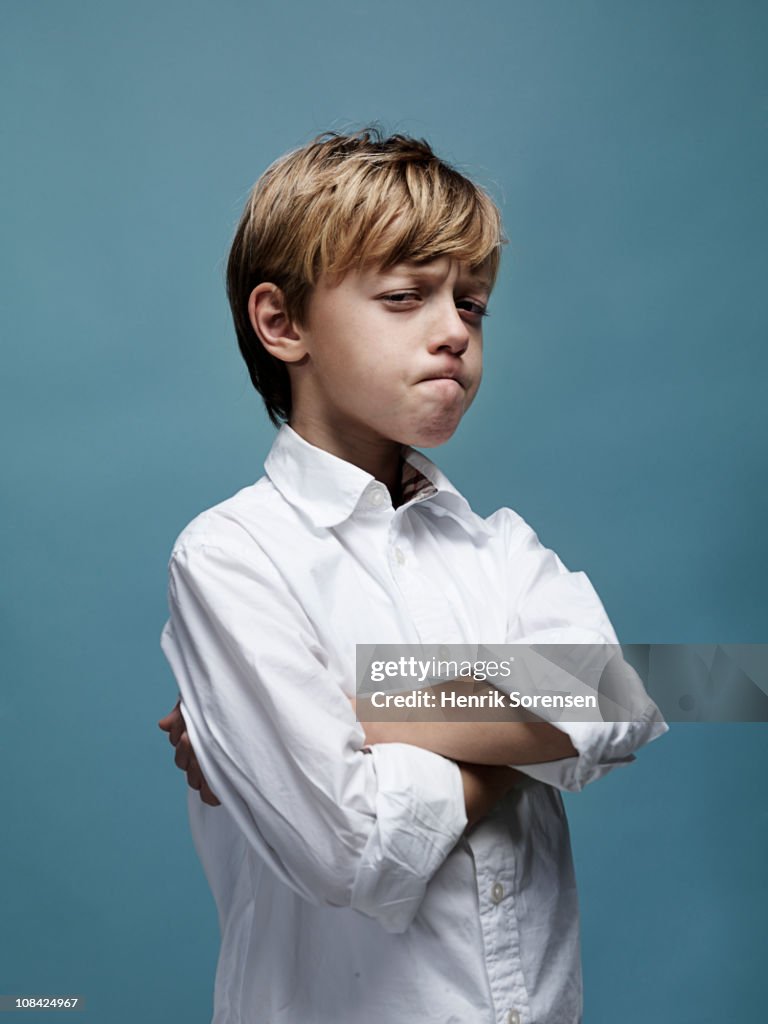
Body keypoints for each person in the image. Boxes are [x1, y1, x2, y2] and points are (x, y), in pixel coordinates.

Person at [158, 128, 667, 1024]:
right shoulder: (231, 555)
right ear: (281, 323)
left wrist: (370, 706)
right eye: (405, 297)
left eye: (471, 306)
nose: (453, 334)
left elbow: (621, 701)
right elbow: (348, 848)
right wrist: (522, 741)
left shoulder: (500, 546)